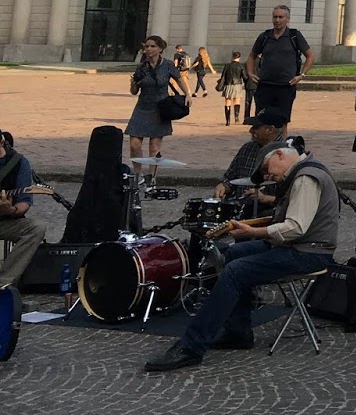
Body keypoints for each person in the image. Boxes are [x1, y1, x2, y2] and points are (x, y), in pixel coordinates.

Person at [144, 142, 339, 371]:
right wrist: (252, 227)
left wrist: (252, 232)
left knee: (236, 272)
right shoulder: (301, 173)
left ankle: (192, 346)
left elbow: (295, 227)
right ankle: (238, 331)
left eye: (266, 169)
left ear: (279, 154)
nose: (267, 176)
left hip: (309, 252)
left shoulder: (306, 178)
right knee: (235, 252)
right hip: (300, 246)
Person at [127, 34, 182, 181]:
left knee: (154, 147)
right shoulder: (141, 67)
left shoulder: (167, 64)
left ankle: (152, 178)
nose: (149, 49)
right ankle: (138, 175)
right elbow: (134, 91)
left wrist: (188, 95)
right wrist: (133, 84)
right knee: (134, 144)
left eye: (152, 46)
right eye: (147, 46)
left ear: (160, 49)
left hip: (160, 107)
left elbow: (179, 79)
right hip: (142, 107)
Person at [248, 5, 314, 125]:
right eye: (275, 17)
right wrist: (250, 73)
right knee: (261, 121)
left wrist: (302, 75)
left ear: (287, 19)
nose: (277, 20)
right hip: (265, 86)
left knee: (282, 122)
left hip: (286, 86)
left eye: (280, 17)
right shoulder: (264, 36)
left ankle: (281, 138)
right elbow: (252, 55)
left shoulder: (294, 36)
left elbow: (310, 56)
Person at [0, 129, 46, 291]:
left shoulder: (18, 163)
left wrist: (10, 210)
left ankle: (3, 283)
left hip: (4, 222)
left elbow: (24, 203)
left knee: (36, 228)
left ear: (1, 141)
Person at [213, 108, 286, 201]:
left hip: (269, 209)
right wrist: (223, 185)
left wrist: (265, 198)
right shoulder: (247, 148)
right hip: (240, 204)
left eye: (256, 127)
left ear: (270, 130)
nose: (251, 130)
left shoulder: (287, 155)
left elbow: (291, 199)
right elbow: (229, 178)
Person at [218, 51, 247, 126]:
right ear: (239, 57)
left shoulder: (227, 66)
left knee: (227, 102)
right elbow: (244, 76)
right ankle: (236, 118)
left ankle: (228, 121)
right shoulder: (240, 66)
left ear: (232, 57)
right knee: (237, 101)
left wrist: (221, 84)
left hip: (228, 85)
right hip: (237, 85)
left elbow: (223, 76)